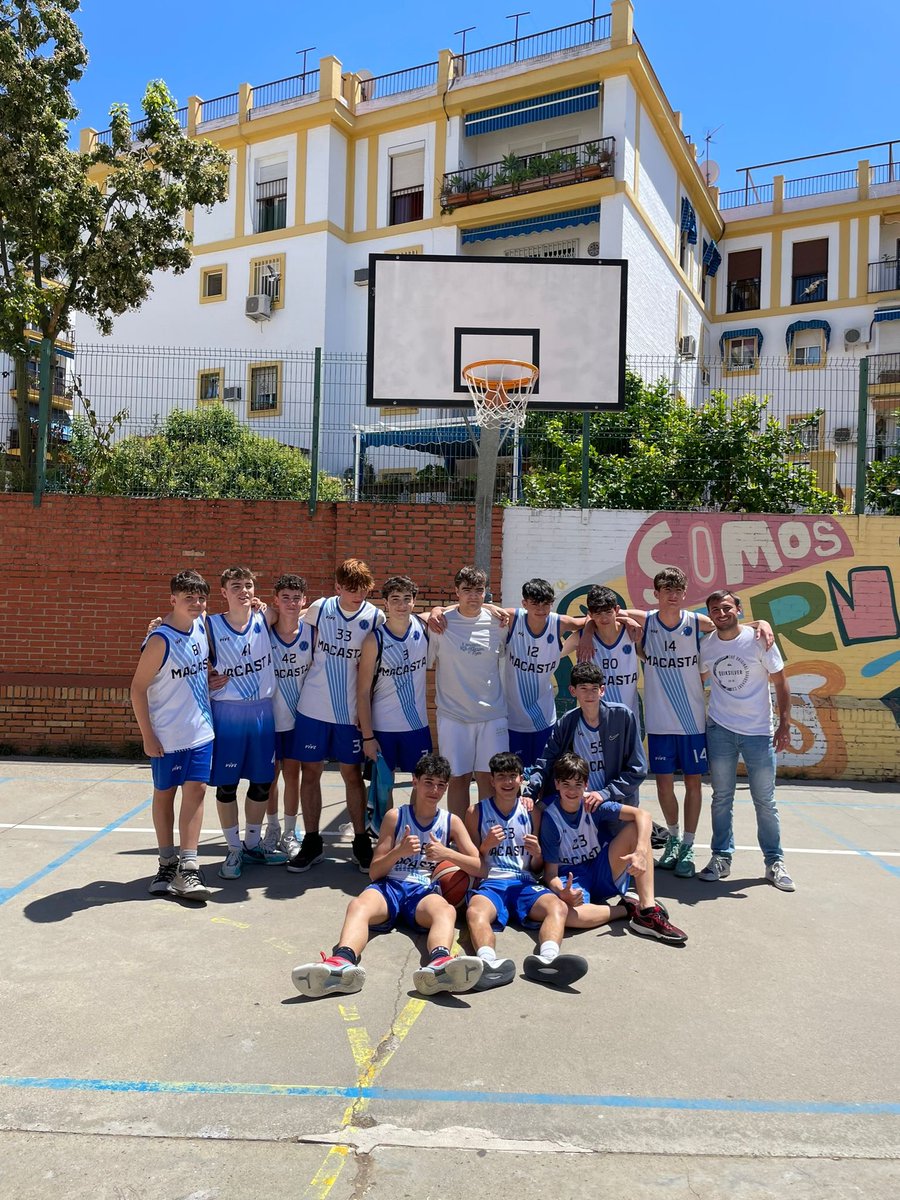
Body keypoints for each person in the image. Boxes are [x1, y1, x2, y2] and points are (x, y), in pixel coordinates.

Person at [290, 753, 485, 998]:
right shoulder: (396, 816)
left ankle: (439, 964)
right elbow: (374, 871)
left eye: (441, 785)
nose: (434, 790)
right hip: (390, 885)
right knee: (358, 905)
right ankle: (341, 963)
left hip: (422, 891)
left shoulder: (451, 822)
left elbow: (479, 867)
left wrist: (448, 853)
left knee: (445, 911)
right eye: (428, 782)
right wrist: (398, 852)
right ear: (414, 781)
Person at [291, 559, 385, 874]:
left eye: (364, 589)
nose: (358, 595)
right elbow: (286, 621)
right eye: (351, 589)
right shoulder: (320, 608)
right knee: (311, 773)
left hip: (350, 713)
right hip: (313, 709)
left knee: (352, 775)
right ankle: (312, 841)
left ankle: (360, 841)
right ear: (338, 587)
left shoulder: (375, 616)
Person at [465, 752, 589, 989]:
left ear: (522, 779)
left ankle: (548, 959)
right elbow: (473, 862)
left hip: (524, 880)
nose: (508, 782)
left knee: (557, 906)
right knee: (474, 912)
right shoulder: (475, 813)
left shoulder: (533, 813)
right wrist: (485, 846)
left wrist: (537, 853)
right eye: (501, 777)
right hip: (492, 880)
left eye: (513, 776)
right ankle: (487, 963)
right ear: (491, 780)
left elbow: (536, 867)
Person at [698, 590, 795, 891]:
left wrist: (784, 723)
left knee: (765, 801)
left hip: (758, 733)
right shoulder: (707, 646)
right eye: (715, 609)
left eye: (727, 607)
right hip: (721, 732)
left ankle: (774, 862)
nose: (721, 613)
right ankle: (721, 858)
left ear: (738, 610)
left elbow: (780, 682)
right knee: (721, 798)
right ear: (710, 614)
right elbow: (697, 681)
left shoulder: (759, 640)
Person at [539, 753, 687, 943]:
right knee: (565, 915)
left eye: (578, 784)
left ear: (586, 785)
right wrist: (562, 892)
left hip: (601, 868)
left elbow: (643, 815)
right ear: (557, 784)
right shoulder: (551, 819)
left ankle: (648, 910)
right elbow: (550, 874)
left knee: (636, 829)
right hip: (571, 878)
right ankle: (626, 909)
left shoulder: (591, 803)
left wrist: (640, 851)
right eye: (566, 784)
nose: (572, 790)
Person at [130, 570, 215, 900]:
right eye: (188, 597)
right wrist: (147, 736)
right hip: (167, 736)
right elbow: (137, 689)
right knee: (164, 794)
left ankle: (190, 868)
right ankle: (167, 862)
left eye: (201, 597)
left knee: (197, 791)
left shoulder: (201, 624)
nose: (195, 603)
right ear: (173, 600)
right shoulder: (160, 640)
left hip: (201, 731)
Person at [207, 566, 286, 879]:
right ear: (224, 592)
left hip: (262, 712)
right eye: (235, 586)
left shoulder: (265, 618)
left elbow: (297, 611)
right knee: (227, 786)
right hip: (228, 713)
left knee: (262, 782)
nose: (243, 591)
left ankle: (253, 845)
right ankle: (233, 849)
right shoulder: (210, 624)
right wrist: (205, 676)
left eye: (248, 585)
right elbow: (183, 646)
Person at [523, 663, 645, 842]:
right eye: (583, 688)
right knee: (536, 811)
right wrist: (529, 793)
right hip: (576, 801)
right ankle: (532, 863)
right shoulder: (567, 723)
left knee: (616, 861)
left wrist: (604, 794)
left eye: (594, 689)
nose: (589, 694)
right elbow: (546, 761)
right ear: (573, 691)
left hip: (611, 801)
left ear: (602, 690)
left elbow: (638, 769)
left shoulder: (622, 716)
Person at [426, 566, 509, 817]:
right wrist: (436, 610)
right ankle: (459, 839)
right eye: (467, 591)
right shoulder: (440, 624)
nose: (473, 596)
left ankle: (485, 836)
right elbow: (408, 616)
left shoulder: (498, 622)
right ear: (456, 592)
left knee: (489, 779)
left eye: (478, 591)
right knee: (457, 779)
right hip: (454, 717)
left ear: (486, 593)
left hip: (492, 716)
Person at [499, 578, 586, 771]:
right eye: (535, 603)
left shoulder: (559, 623)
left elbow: (593, 619)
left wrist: (586, 635)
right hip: (513, 718)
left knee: (545, 775)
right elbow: (478, 609)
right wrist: (438, 610)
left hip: (544, 718)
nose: (541, 609)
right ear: (524, 603)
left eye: (545, 603)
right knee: (514, 776)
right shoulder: (513, 618)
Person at [357, 575, 431, 787]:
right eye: (395, 599)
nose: (402, 604)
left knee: (423, 783)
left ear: (414, 601)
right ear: (386, 603)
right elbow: (362, 691)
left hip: (417, 725)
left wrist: (493, 609)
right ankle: (385, 822)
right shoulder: (374, 639)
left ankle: (414, 822)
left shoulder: (424, 626)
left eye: (407, 598)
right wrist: (368, 737)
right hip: (383, 727)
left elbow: (455, 611)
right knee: (382, 787)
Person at [262, 574, 313, 860]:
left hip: (298, 719)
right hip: (269, 718)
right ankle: (272, 828)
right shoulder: (263, 630)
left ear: (304, 601)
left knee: (293, 776)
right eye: (286, 597)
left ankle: (290, 832)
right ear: (276, 600)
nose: (292, 603)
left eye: (297, 598)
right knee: (270, 777)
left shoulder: (311, 632)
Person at [582, 585, 640, 724]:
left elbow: (655, 617)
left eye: (608, 612)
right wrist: (587, 631)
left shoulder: (633, 632)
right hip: (596, 722)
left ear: (617, 610)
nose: (603, 618)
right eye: (598, 613)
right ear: (590, 613)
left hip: (628, 721)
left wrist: (628, 620)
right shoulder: (582, 638)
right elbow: (554, 655)